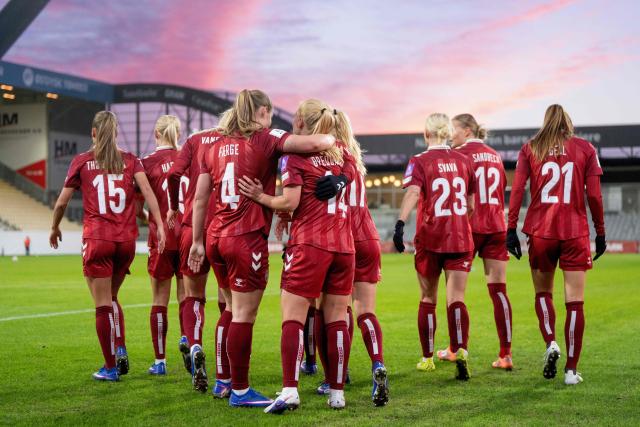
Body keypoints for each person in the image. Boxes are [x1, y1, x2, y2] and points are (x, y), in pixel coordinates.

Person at [188, 90, 337, 408]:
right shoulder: (266, 138)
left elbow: (200, 198)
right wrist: (335, 136)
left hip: (215, 235)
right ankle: (240, 391)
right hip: (245, 236)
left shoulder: (211, 145)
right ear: (264, 111)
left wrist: (198, 241)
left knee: (229, 309)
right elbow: (316, 143)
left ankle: (223, 380)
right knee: (243, 314)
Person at [237, 99, 358, 413]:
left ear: (303, 123)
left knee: (292, 318)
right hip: (344, 246)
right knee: (336, 321)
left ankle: (290, 390)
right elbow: (351, 171)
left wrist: (260, 196)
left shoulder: (294, 157)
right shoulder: (343, 154)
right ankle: (337, 393)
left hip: (309, 246)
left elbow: (289, 202)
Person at [49, 111, 166, 381]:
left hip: (98, 239)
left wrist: (55, 227)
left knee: (102, 304)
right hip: (126, 242)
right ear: (115, 133)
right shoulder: (130, 160)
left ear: (93, 133)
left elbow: (62, 202)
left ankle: (111, 366)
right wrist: (158, 225)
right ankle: (120, 346)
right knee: (112, 298)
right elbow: (147, 193)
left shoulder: (82, 161)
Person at [507, 104, 606, 385]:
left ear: (546, 122)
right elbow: (595, 197)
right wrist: (600, 232)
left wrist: (511, 227)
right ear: (568, 123)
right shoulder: (586, 148)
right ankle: (571, 371)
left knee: (543, 294)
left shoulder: (531, 148)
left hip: (540, 231)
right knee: (575, 302)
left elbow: (517, 189)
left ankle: (551, 343)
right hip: (574, 232)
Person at [393, 113, 476, 380]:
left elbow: (414, 193)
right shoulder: (465, 161)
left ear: (426, 134)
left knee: (428, 298)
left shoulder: (419, 161)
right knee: (457, 298)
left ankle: (428, 358)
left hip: (431, 238)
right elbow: (472, 205)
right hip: (461, 237)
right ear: (448, 133)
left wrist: (400, 222)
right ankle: (461, 350)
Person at [165, 112, 231, 392]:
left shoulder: (193, 140)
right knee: (229, 301)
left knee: (193, 295)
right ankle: (225, 363)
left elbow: (173, 174)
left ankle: (194, 344)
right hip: (226, 225)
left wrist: (173, 205)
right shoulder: (234, 140)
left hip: (193, 224)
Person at [450, 114, 513, 370]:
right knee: (499, 291)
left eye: (453, 130)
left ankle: (458, 349)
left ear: (466, 131)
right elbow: (501, 190)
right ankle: (506, 355)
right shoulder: (495, 156)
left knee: (456, 292)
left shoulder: (459, 155)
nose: (450, 135)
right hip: (497, 226)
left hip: (469, 227)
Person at [139, 115, 185, 375]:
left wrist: (151, 222)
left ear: (156, 135)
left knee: (159, 299)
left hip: (161, 237)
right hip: (187, 235)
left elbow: (137, 207)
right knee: (186, 296)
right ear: (178, 133)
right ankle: (188, 340)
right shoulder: (188, 159)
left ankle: (160, 361)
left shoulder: (145, 164)